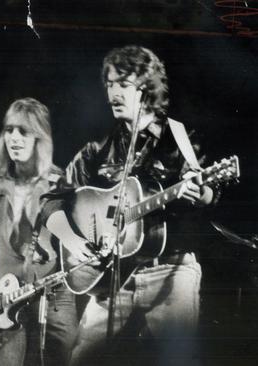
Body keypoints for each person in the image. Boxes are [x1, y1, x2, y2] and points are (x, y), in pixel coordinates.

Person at [42, 45, 220, 365]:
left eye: (123, 84)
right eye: (110, 84)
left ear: (147, 88)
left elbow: (208, 193)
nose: (113, 92)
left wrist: (202, 191)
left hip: (170, 270)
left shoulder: (180, 137)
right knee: (81, 360)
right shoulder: (99, 146)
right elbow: (51, 201)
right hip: (114, 275)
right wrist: (72, 240)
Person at [0, 98, 80, 365]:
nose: (14, 138)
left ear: (40, 137)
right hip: (2, 302)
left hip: (54, 300)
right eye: (9, 130)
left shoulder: (62, 185)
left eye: (24, 131)